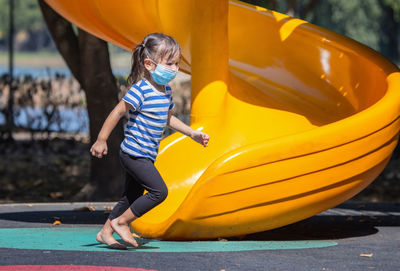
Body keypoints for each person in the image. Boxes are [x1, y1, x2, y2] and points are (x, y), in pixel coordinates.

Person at [90, 33, 209, 249]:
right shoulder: (141, 89)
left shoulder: (166, 91)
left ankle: (106, 232)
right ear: (149, 64)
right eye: (169, 63)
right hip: (133, 153)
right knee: (159, 191)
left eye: (176, 63)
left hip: (146, 154)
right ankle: (122, 222)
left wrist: (192, 133)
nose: (174, 68)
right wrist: (101, 139)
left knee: (131, 196)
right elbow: (117, 112)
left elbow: (168, 117)